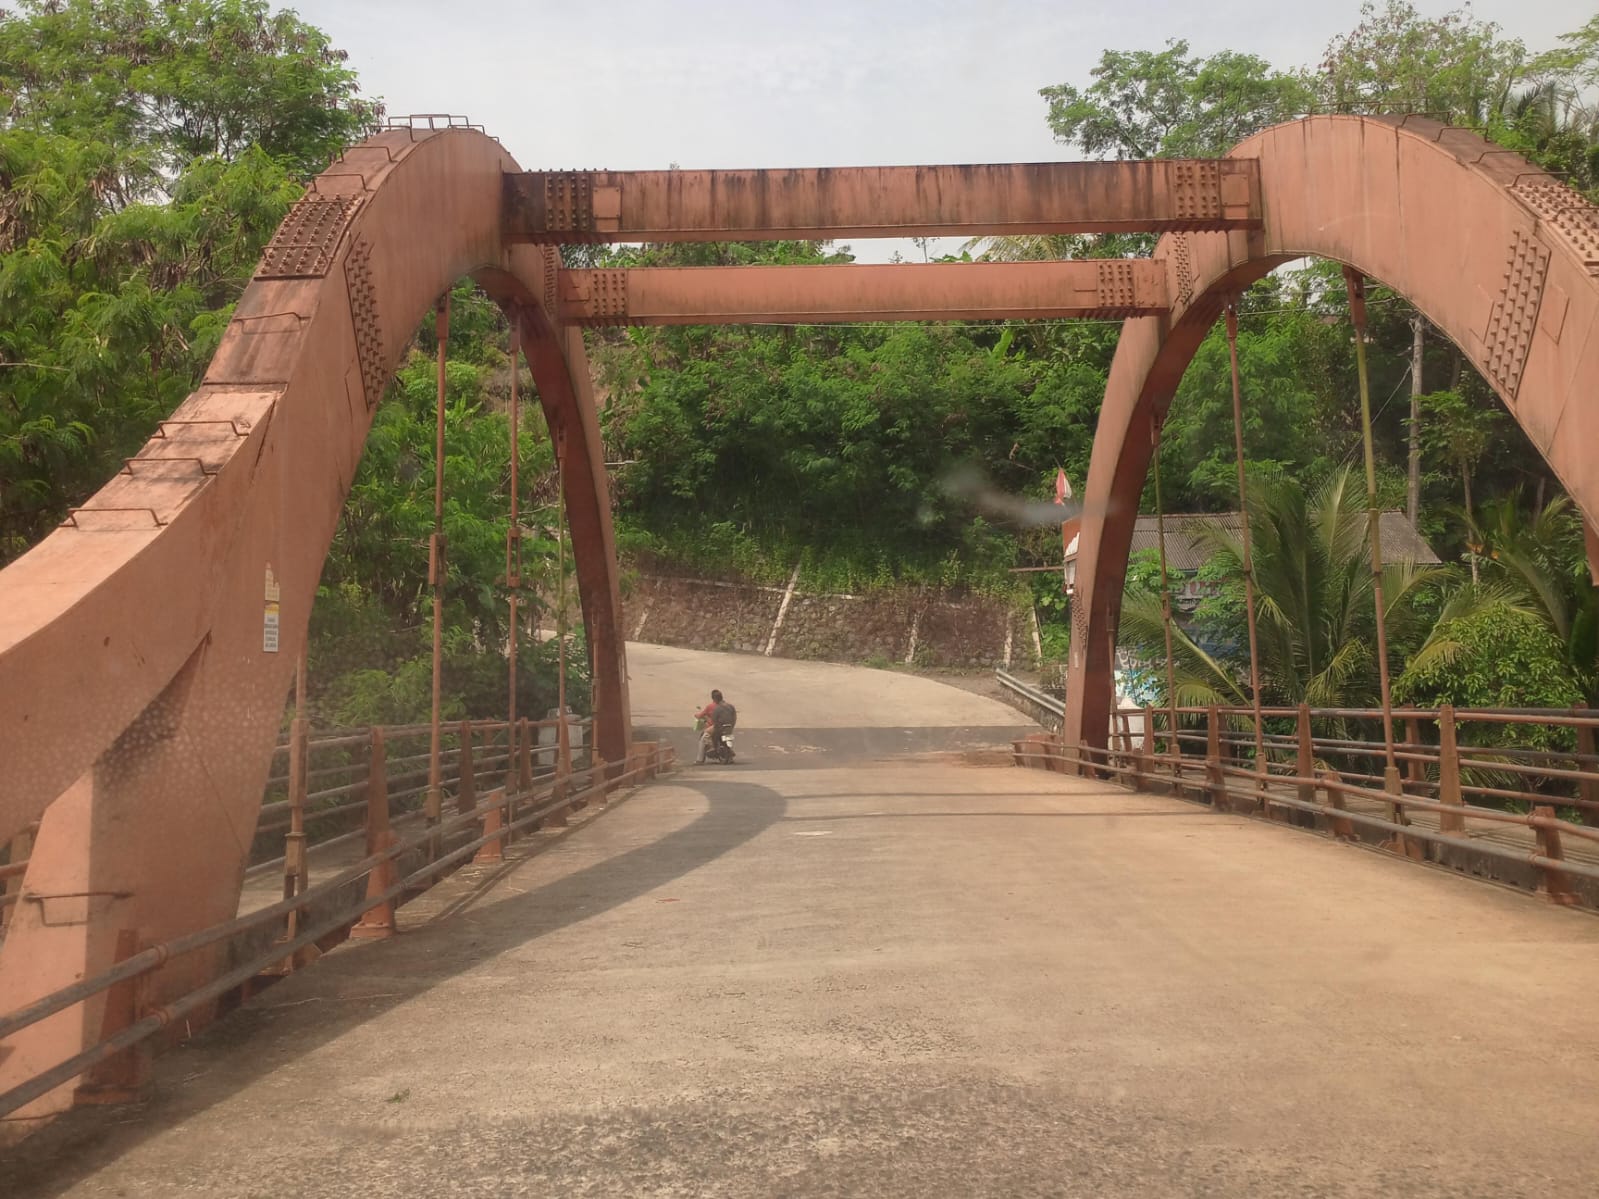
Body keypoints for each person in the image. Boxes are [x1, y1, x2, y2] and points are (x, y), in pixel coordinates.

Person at [694, 688, 736, 763]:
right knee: (728, 736)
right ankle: (730, 756)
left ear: (714, 699)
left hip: (719, 727)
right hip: (729, 727)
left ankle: (699, 759)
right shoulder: (730, 706)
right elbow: (734, 717)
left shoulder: (716, 708)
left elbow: (714, 720)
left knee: (704, 737)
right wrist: (732, 725)